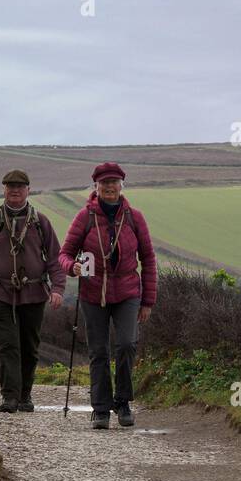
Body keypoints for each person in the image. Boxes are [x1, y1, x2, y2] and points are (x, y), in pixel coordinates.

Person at [59, 161, 158, 428]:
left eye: (114, 183)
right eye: (104, 183)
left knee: (127, 344)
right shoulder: (85, 217)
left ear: (121, 186)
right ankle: (101, 409)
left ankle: (123, 403)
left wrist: (148, 300)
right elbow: (64, 254)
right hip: (93, 293)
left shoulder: (135, 218)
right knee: (99, 350)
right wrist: (73, 267)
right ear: (96, 187)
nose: (110, 187)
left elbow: (148, 258)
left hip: (127, 291)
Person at [0, 169, 65, 412]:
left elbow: (55, 258)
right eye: (10, 186)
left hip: (33, 294)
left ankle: (25, 395)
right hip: (0, 293)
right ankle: (9, 397)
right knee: (7, 346)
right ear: (4, 190)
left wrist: (58, 288)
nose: (15, 190)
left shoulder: (41, 222)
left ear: (28, 190)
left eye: (20, 186)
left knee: (29, 347)